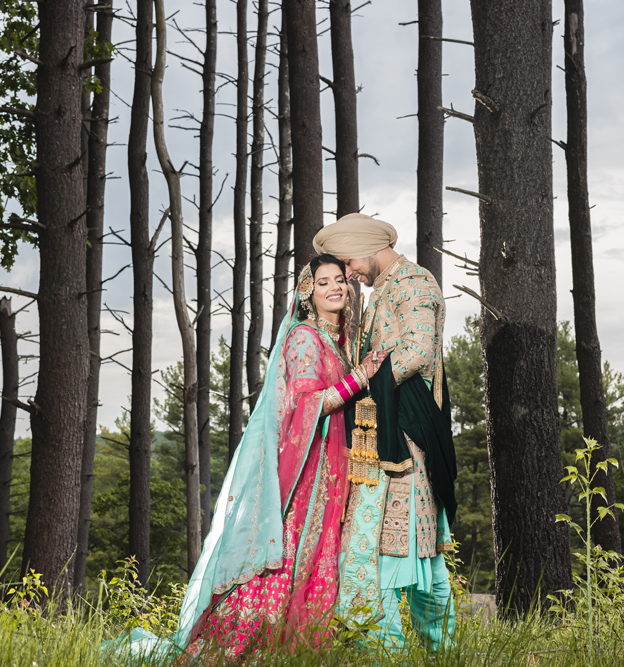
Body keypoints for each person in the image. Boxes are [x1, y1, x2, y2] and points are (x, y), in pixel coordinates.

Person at [106, 254, 384, 663]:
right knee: (288, 553)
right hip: (304, 472)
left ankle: (304, 647)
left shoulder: (337, 342)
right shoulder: (304, 337)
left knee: (320, 556)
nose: (335, 287)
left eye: (340, 279)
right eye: (323, 282)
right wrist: (361, 376)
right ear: (307, 293)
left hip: (329, 467)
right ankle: (252, 645)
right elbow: (307, 404)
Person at [313, 213, 458, 650]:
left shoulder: (414, 282)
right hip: (389, 434)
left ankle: (408, 649)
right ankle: (421, 648)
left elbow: (414, 351)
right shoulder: (385, 289)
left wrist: (359, 383)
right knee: (412, 550)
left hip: (409, 435)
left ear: (370, 248)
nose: (350, 274)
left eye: (351, 263)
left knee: (410, 550)